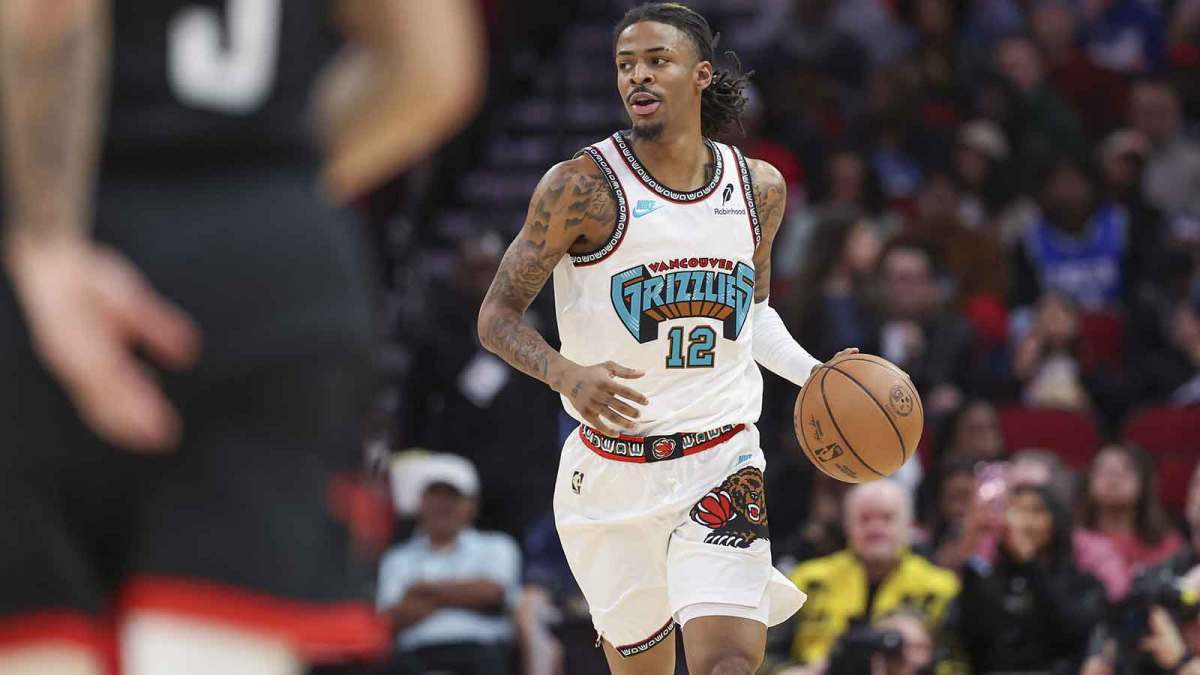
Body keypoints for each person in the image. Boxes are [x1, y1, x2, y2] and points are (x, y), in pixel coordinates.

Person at [0, 2, 483, 674]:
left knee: (43, 649)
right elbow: (429, 69)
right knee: (215, 649)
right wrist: (269, 199)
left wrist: (45, 241)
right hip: (278, 280)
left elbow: (46, 16)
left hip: (79, 256)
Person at [475, 4, 858, 673]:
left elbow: (753, 316)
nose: (639, 77)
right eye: (626, 65)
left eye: (658, 61)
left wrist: (817, 371)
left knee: (728, 665)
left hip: (722, 460)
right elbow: (497, 316)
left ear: (701, 75)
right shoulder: (581, 188)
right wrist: (566, 373)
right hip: (612, 474)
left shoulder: (757, 188)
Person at [783, 481, 959, 670]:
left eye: (887, 518)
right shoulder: (807, 580)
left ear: (909, 525)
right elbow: (768, 654)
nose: (875, 529)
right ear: (847, 526)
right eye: (865, 519)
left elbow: (956, 664)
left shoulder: (942, 587)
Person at [376, 454, 522, 675]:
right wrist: (465, 596)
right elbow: (390, 617)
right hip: (414, 659)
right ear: (421, 502)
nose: (443, 505)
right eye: (435, 495)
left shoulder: (497, 546)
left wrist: (421, 590)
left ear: (472, 505)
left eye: (453, 497)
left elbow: (492, 594)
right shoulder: (397, 558)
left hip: (480, 655)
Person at [957, 484, 1107, 674]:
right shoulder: (990, 580)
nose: (1021, 521)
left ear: (1057, 521)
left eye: (1035, 511)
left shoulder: (1082, 583)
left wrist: (1029, 562)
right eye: (1015, 510)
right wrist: (973, 540)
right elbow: (970, 637)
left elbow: (1069, 634)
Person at [1077, 443, 1185, 595]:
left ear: (1145, 481)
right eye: (1102, 470)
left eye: (1125, 470)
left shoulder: (1167, 544)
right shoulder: (1072, 541)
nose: (1112, 479)